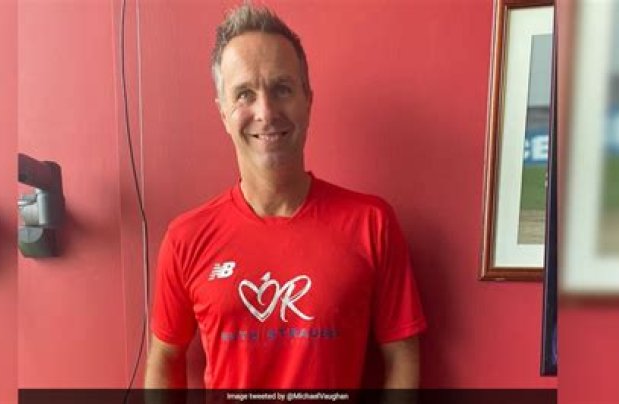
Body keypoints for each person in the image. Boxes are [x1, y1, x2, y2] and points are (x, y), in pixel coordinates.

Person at [144, 4, 426, 390]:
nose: (266, 111)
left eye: (282, 88)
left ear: (308, 99)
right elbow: (164, 357)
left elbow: (401, 355)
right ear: (223, 112)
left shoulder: (371, 223)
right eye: (244, 94)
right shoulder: (185, 238)